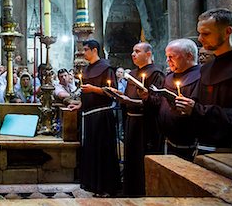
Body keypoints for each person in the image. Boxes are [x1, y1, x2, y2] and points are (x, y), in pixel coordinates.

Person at [175, 8, 232, 155]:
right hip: (203, 147)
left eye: (206, 34)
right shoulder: (206, 68)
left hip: (228, 152)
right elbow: (197, 103)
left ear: (228, 32)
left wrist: (197, 109)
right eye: (199, 33)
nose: (200, 39)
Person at [68, 40, 120, 197]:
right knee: (92, 152)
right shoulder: (88, 69)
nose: (83, 53)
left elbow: (114, 92)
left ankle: (106, 187)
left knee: (102, 152)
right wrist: (80, 105)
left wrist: (94, 89)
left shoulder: (106, 68)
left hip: (103, 116)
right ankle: (94, 185)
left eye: (86, 50)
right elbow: (85, 93)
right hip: (90, 116)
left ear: (94, 50)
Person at [114, 42, 165, 196]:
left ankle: (144, 192)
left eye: (137, 51)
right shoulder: (133, 74)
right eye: (132, 51)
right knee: (131, 158)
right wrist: (120, 97)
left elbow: (159, 101)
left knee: (142, 158)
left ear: (148, 54)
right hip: (131, 122)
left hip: (146, 124)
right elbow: (128, 97)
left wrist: (146, 98)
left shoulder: (156, 74)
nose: (133, 54)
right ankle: (130, 190)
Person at [148, 39, 200, 160]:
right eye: (167, 57)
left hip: (189, 144)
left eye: (171, 57)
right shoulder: (169, 77)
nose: (168, 61)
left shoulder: (200, 77)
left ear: (189, 56)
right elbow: (159, 104)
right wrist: (147, 98)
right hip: (167, 140)